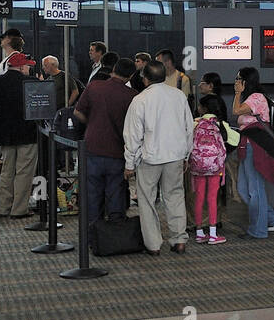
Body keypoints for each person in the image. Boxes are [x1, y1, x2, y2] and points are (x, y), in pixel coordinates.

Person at [123, 61, 194, 255]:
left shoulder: (140, 100)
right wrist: (186, 154)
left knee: (146, 200)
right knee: (175, 196)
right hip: (175, 156)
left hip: (149, 158)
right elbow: (189, 128)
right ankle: (179, 240)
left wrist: (129, 163)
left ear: (145, 79)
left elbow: (132, 135)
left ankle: (153, 245)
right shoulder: (179, 96)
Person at [73, 57, 138, 223]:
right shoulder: (132, 96)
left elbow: (77, 112)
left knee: (92, 195)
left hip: (92, 148)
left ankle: (91, 235)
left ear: (113, 69)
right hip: (117, 151)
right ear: (131, 76)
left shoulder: (94, 86)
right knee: (116, 194)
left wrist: (92, 122)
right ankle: (114, 236)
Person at [0, 50, 39, 218]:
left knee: (7, 170)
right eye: (28, 67)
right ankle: (19, 210)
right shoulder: (31, 82)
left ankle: (3, 207)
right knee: (24, 172)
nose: (29, 70)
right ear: (20, 67)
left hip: (5, 133)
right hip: (27, 133)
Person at [232, 66, 274, 238]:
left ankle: (258, 230)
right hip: (246, 145)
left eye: (239, 78)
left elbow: (236, 111)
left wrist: (237, 93)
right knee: (243, 189)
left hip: (255, 146)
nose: (236, 81)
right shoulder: (250, 98)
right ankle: (273, 216)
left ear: (246, 81)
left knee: (255, 189)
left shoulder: (256, 98)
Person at [190, 94, 235, 246]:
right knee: (212, 198)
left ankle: (199, 232)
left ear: (203, 109)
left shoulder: (195, 123)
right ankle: (213, 234)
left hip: (198, 166)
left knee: (199, 197)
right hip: (215, 166)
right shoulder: (220, 124)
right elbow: (234, 139)